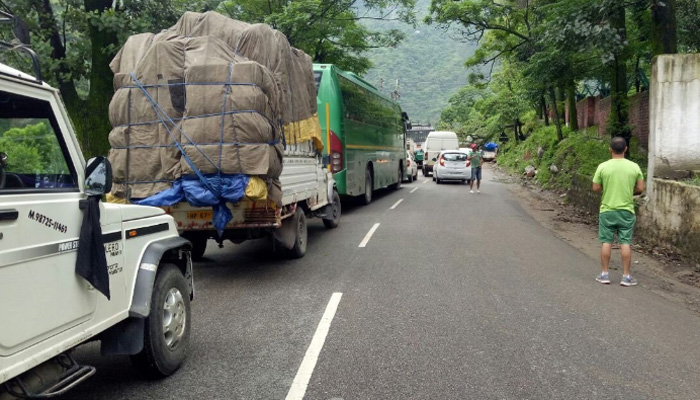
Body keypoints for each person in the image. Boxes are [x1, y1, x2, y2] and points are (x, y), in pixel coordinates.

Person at [592, 136, 645, 287]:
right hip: (626, 211)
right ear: (626, 149)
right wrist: (630, 190)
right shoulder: (634, 167)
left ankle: (604, 274)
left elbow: (595, 188)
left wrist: (607, 188)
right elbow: (641, 188)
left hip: (607, 210)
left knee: (606, 242)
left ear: (610, 150)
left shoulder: (603, 167)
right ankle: (626, 277)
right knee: (625, 242)